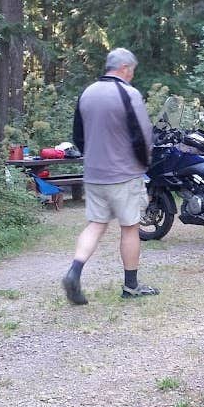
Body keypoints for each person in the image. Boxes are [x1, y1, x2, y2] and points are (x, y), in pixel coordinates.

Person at [63, 48, 158, 304]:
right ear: (125, 68)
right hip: (124, 174)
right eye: (132, 70)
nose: (132, 75)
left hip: (94, 174)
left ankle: (74, 271)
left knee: (96, 224)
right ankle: (131, 287)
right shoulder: (128, 94)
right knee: (130, 228)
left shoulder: (87, 93)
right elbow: (143, 134)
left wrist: (92, 159)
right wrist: (145, 163)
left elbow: (78, 135)